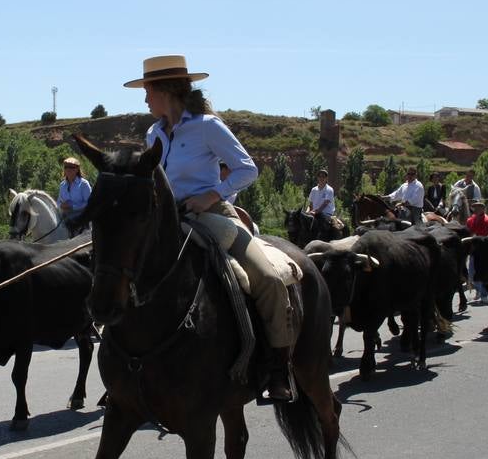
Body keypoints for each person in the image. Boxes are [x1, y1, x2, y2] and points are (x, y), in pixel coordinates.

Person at [127, 54, 294, 403]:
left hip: (210, 214)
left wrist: (211, 195)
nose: (144, 99)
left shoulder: (207, 127)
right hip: (165, 219)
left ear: (165, 90)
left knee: (268, 278)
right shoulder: (152, 132)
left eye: (147, 91)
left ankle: (279, 368)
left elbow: (247, 169)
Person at [465, 200, 488, 301]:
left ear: (483, 209)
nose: (476, 209)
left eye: (479, 207)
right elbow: (468, 233)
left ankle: (484, 294)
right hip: (474, 249)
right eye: (475, 207)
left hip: (485, 250)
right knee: (472, 272)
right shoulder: (470, 220)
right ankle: (478, 291)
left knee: (483, 272)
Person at [58, 156, 92, 229]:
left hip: (81, 219)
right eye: (66, 167)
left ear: (77, 169)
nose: (68, 170)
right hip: (65, 218)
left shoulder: (84, 184)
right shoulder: (62, 185)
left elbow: (89, 203)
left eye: (71, 167)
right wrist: (61, 205)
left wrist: (72, 207)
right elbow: (59, 202)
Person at [307, 169, 337, 237]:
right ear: (317, 178)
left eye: (323, 176)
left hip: (326, 213)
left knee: (322, 226)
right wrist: (308, 211)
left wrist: (316, 212)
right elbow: (311, 203)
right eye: (320, 176)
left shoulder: (329, 190)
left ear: (326, 178)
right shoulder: (314, 190)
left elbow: (325, 203)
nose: (321, 178)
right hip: (314, 213)